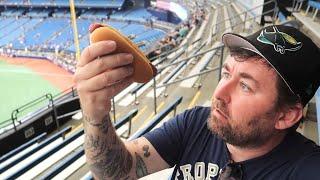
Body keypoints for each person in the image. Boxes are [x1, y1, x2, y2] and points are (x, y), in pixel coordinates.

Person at [74, 25, 320, 179]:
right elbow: (117, 173)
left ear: (286, 116)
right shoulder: (197, 123)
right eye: (226, 74)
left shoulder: (306, 168)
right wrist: (95, 115)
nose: (219, 94)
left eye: (245, 86)